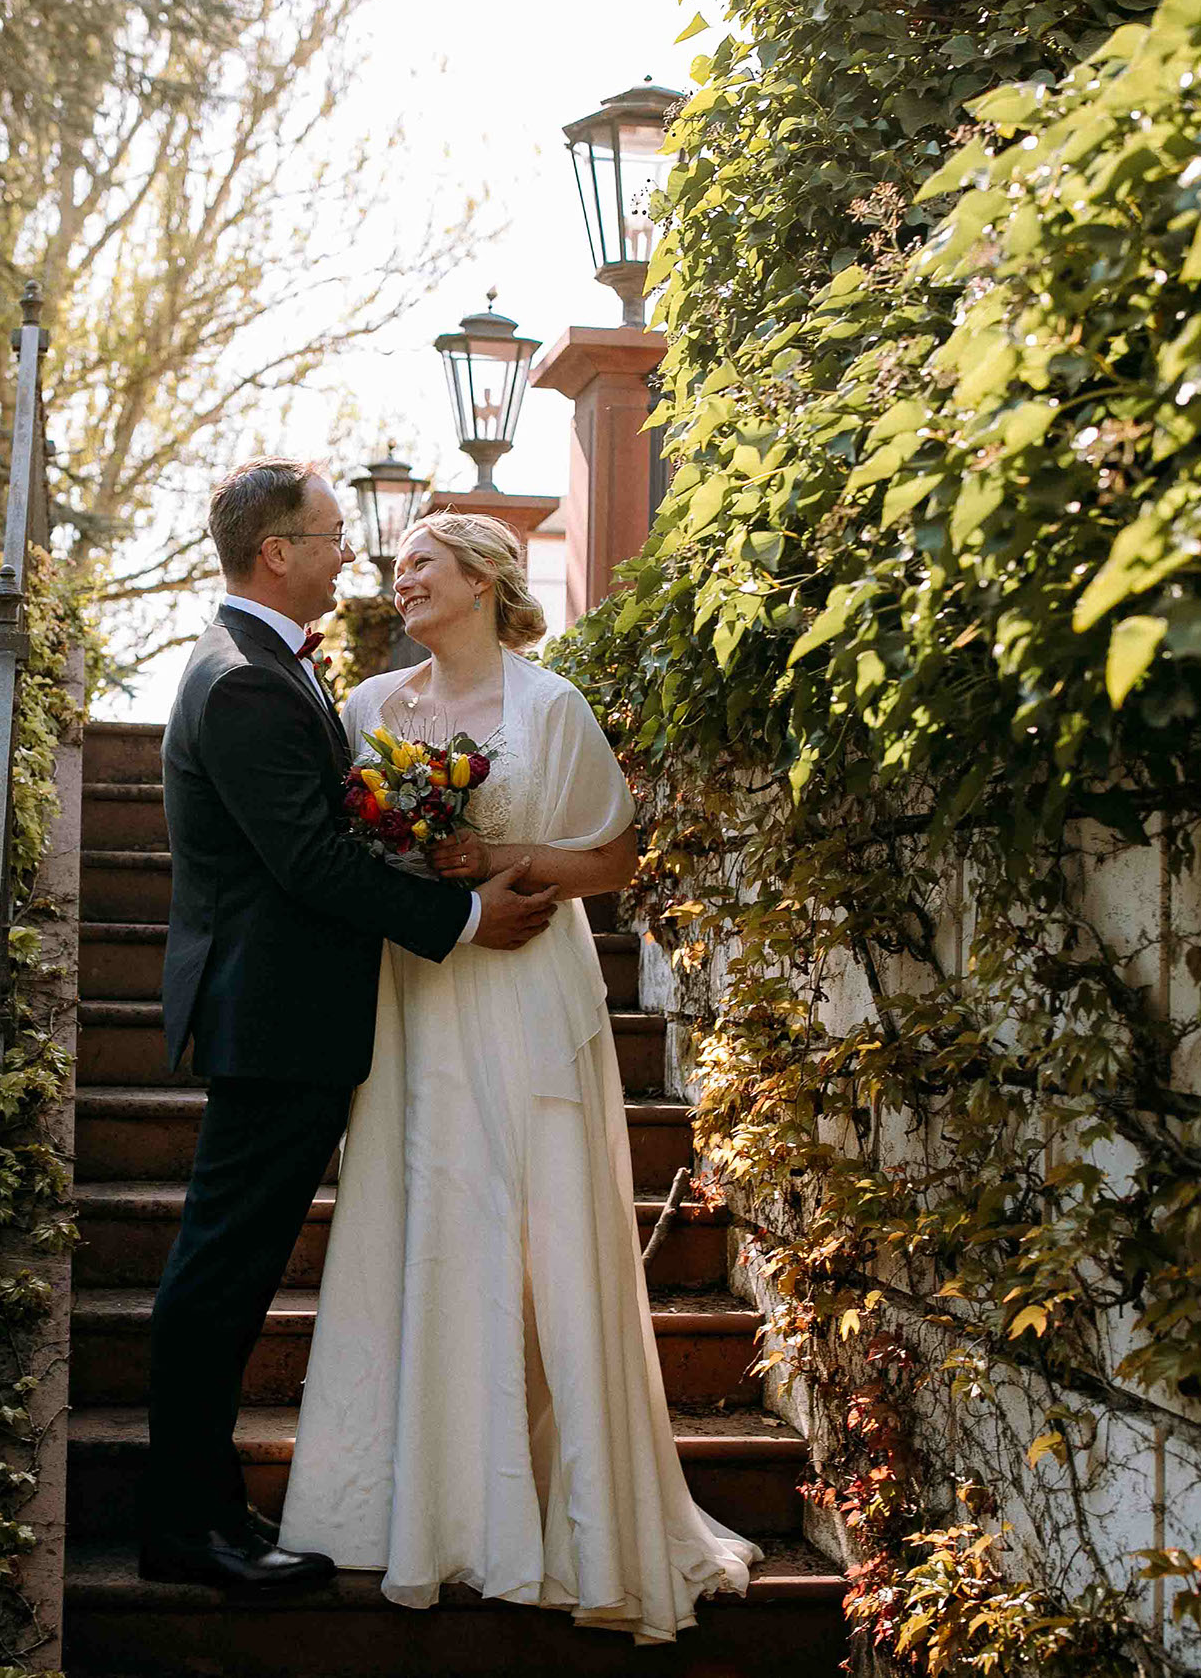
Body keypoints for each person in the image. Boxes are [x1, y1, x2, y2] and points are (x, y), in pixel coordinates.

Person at [281, 512, 760, 1643]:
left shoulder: (551, 706)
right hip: (416, 990)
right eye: (395, 564)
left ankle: (562, 1512)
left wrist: (499, 859)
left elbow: (617, 854)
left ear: (486, 581)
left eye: (422, 564)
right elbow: (341, 849)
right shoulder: (366, 710)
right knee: (427, 1217)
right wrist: (418, 872)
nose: (399, 578)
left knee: (532, 1226)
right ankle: (423, 1508)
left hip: (529, 989)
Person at [143, 460, 558, 1591]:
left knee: (225, 1268)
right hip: (272, 1016)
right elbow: (309, 860)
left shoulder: (266, 666)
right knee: (219, 1274)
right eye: (331, 534)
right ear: (277, 552)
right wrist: (465, 913)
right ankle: (187, 1524)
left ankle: (201, 1510)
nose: (350, 554)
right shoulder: (243, 681)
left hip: (282, 1011)